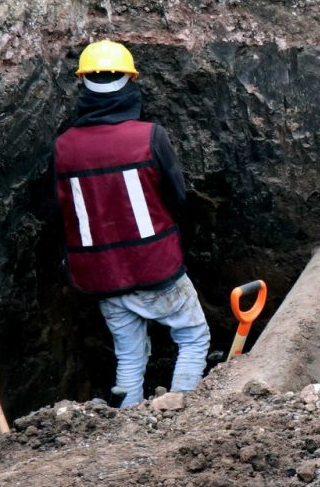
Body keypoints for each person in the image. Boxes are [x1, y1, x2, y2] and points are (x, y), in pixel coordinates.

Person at [53, 40, 211, 405]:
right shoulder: (149, 137)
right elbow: (178, 197)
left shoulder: (64, 148)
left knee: (129, 353)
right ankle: (179, 410)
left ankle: (130, 425)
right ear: (130, 82)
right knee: (192, 336)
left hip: (101, 276)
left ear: (84, 85)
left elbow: (61, 211)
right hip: (155, 267)